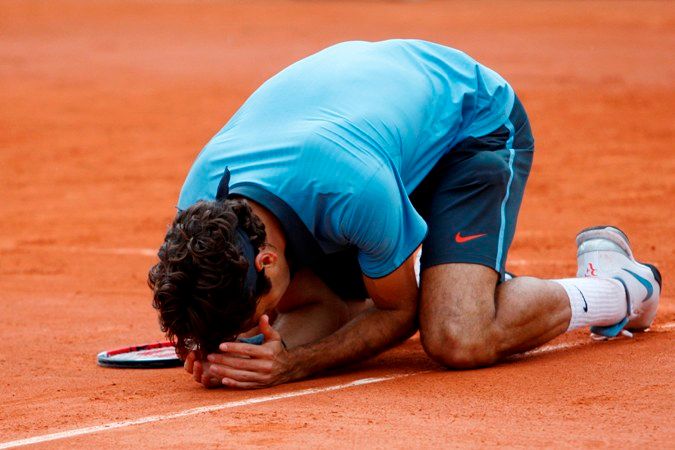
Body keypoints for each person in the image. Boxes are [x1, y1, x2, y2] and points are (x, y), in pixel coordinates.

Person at [148, 39, 661, 389]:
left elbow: (398, 314)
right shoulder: (200, 217)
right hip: (368, 129)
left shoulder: (352, 192)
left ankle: (620, 285)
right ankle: (408, 267)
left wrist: (294, 363)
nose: (258, 326)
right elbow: (309, 309)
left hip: (470, 128)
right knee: (342, 303)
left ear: (265, 261)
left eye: (253, 317)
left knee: (457, 334)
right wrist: (212, 348)